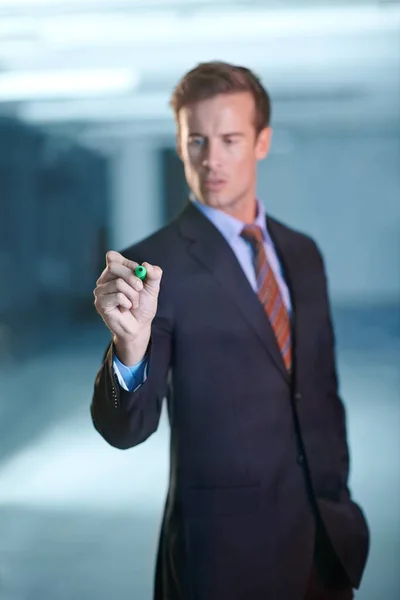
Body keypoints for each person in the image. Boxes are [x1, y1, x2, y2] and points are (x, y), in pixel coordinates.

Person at [91, 61, 369, 600]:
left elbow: (320, 392)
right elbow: (127, 429)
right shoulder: (153, 266)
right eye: (196, 140)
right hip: (223, 556)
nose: (211, 159)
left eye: (230, 139)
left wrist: (341, 499)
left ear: (262, 141)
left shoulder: (302, 254)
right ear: (179, 144)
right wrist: (129, 345)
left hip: (324, 543)